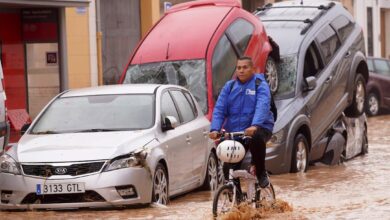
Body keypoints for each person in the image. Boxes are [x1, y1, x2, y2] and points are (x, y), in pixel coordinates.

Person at [209, 56, 274, 188]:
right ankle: (237, 200)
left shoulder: (260, 85)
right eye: (238, 68)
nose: (241, 70)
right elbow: (220, 109)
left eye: (245, 67)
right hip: (237, 132)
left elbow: (262, 105)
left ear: (253, 69)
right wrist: (214, 129)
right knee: (229, 168)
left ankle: (261, 173)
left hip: (260, 128)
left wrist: (255, 125)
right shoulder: (230, 86)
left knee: (256, 138)